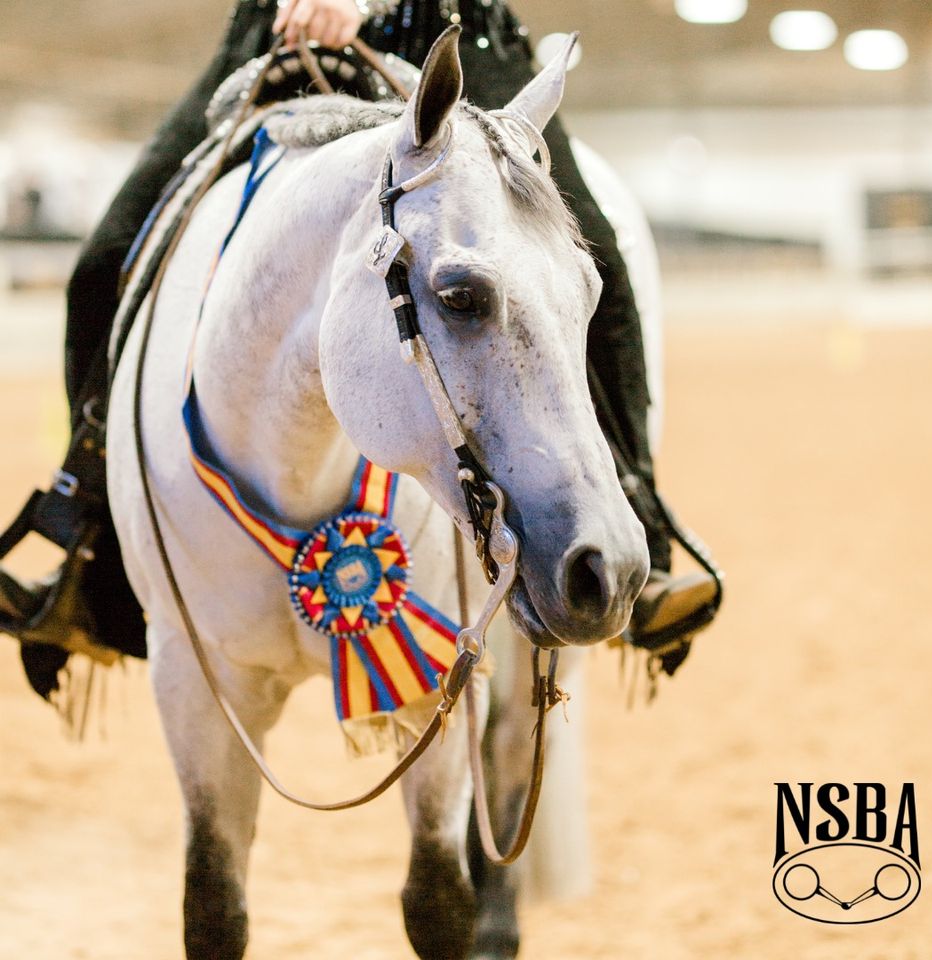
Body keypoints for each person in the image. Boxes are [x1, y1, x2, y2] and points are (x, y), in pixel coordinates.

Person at [0, 0, 719, 701]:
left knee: (598, 266)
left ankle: (636, 527)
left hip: (456, 32)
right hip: (278, 31)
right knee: (103, 266)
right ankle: (87, 532)